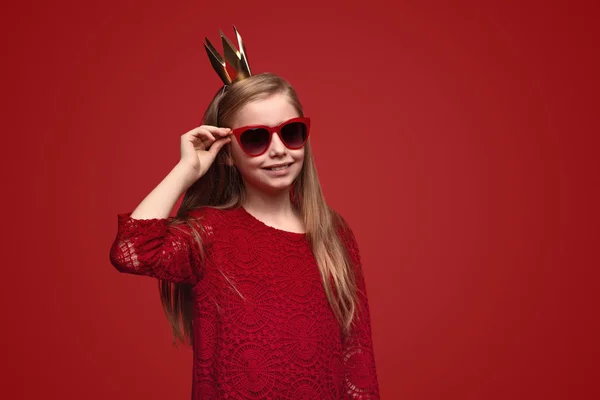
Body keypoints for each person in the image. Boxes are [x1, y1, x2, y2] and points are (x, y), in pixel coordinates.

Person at [109, 27, 380, 399]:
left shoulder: (334, 233)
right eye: (256, 138)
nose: (279, 150)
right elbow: (132, 250)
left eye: (292, 132)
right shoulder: (208, 232)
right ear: (229, 154)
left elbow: (358, 359)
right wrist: (185, 171)